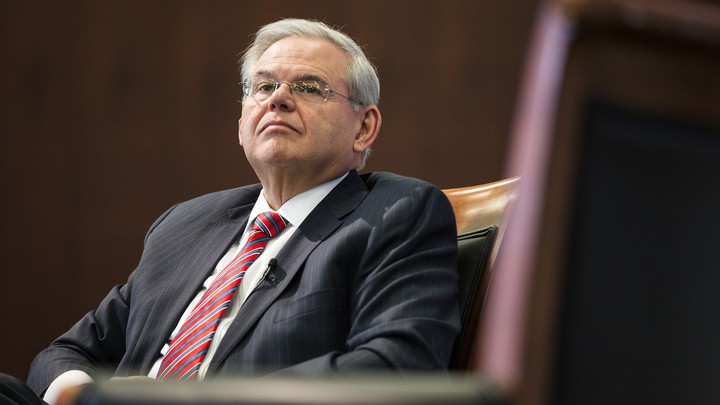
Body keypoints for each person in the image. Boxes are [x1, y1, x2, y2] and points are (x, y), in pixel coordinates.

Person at [23, 18, 460, 404]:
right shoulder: (184, 225)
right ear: (241, 123)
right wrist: (84, 396)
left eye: (309, 87)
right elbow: (66, 353)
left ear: (364, 127)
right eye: (264, 86)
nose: (278, 99)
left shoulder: (397, 212)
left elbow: (396, 367)